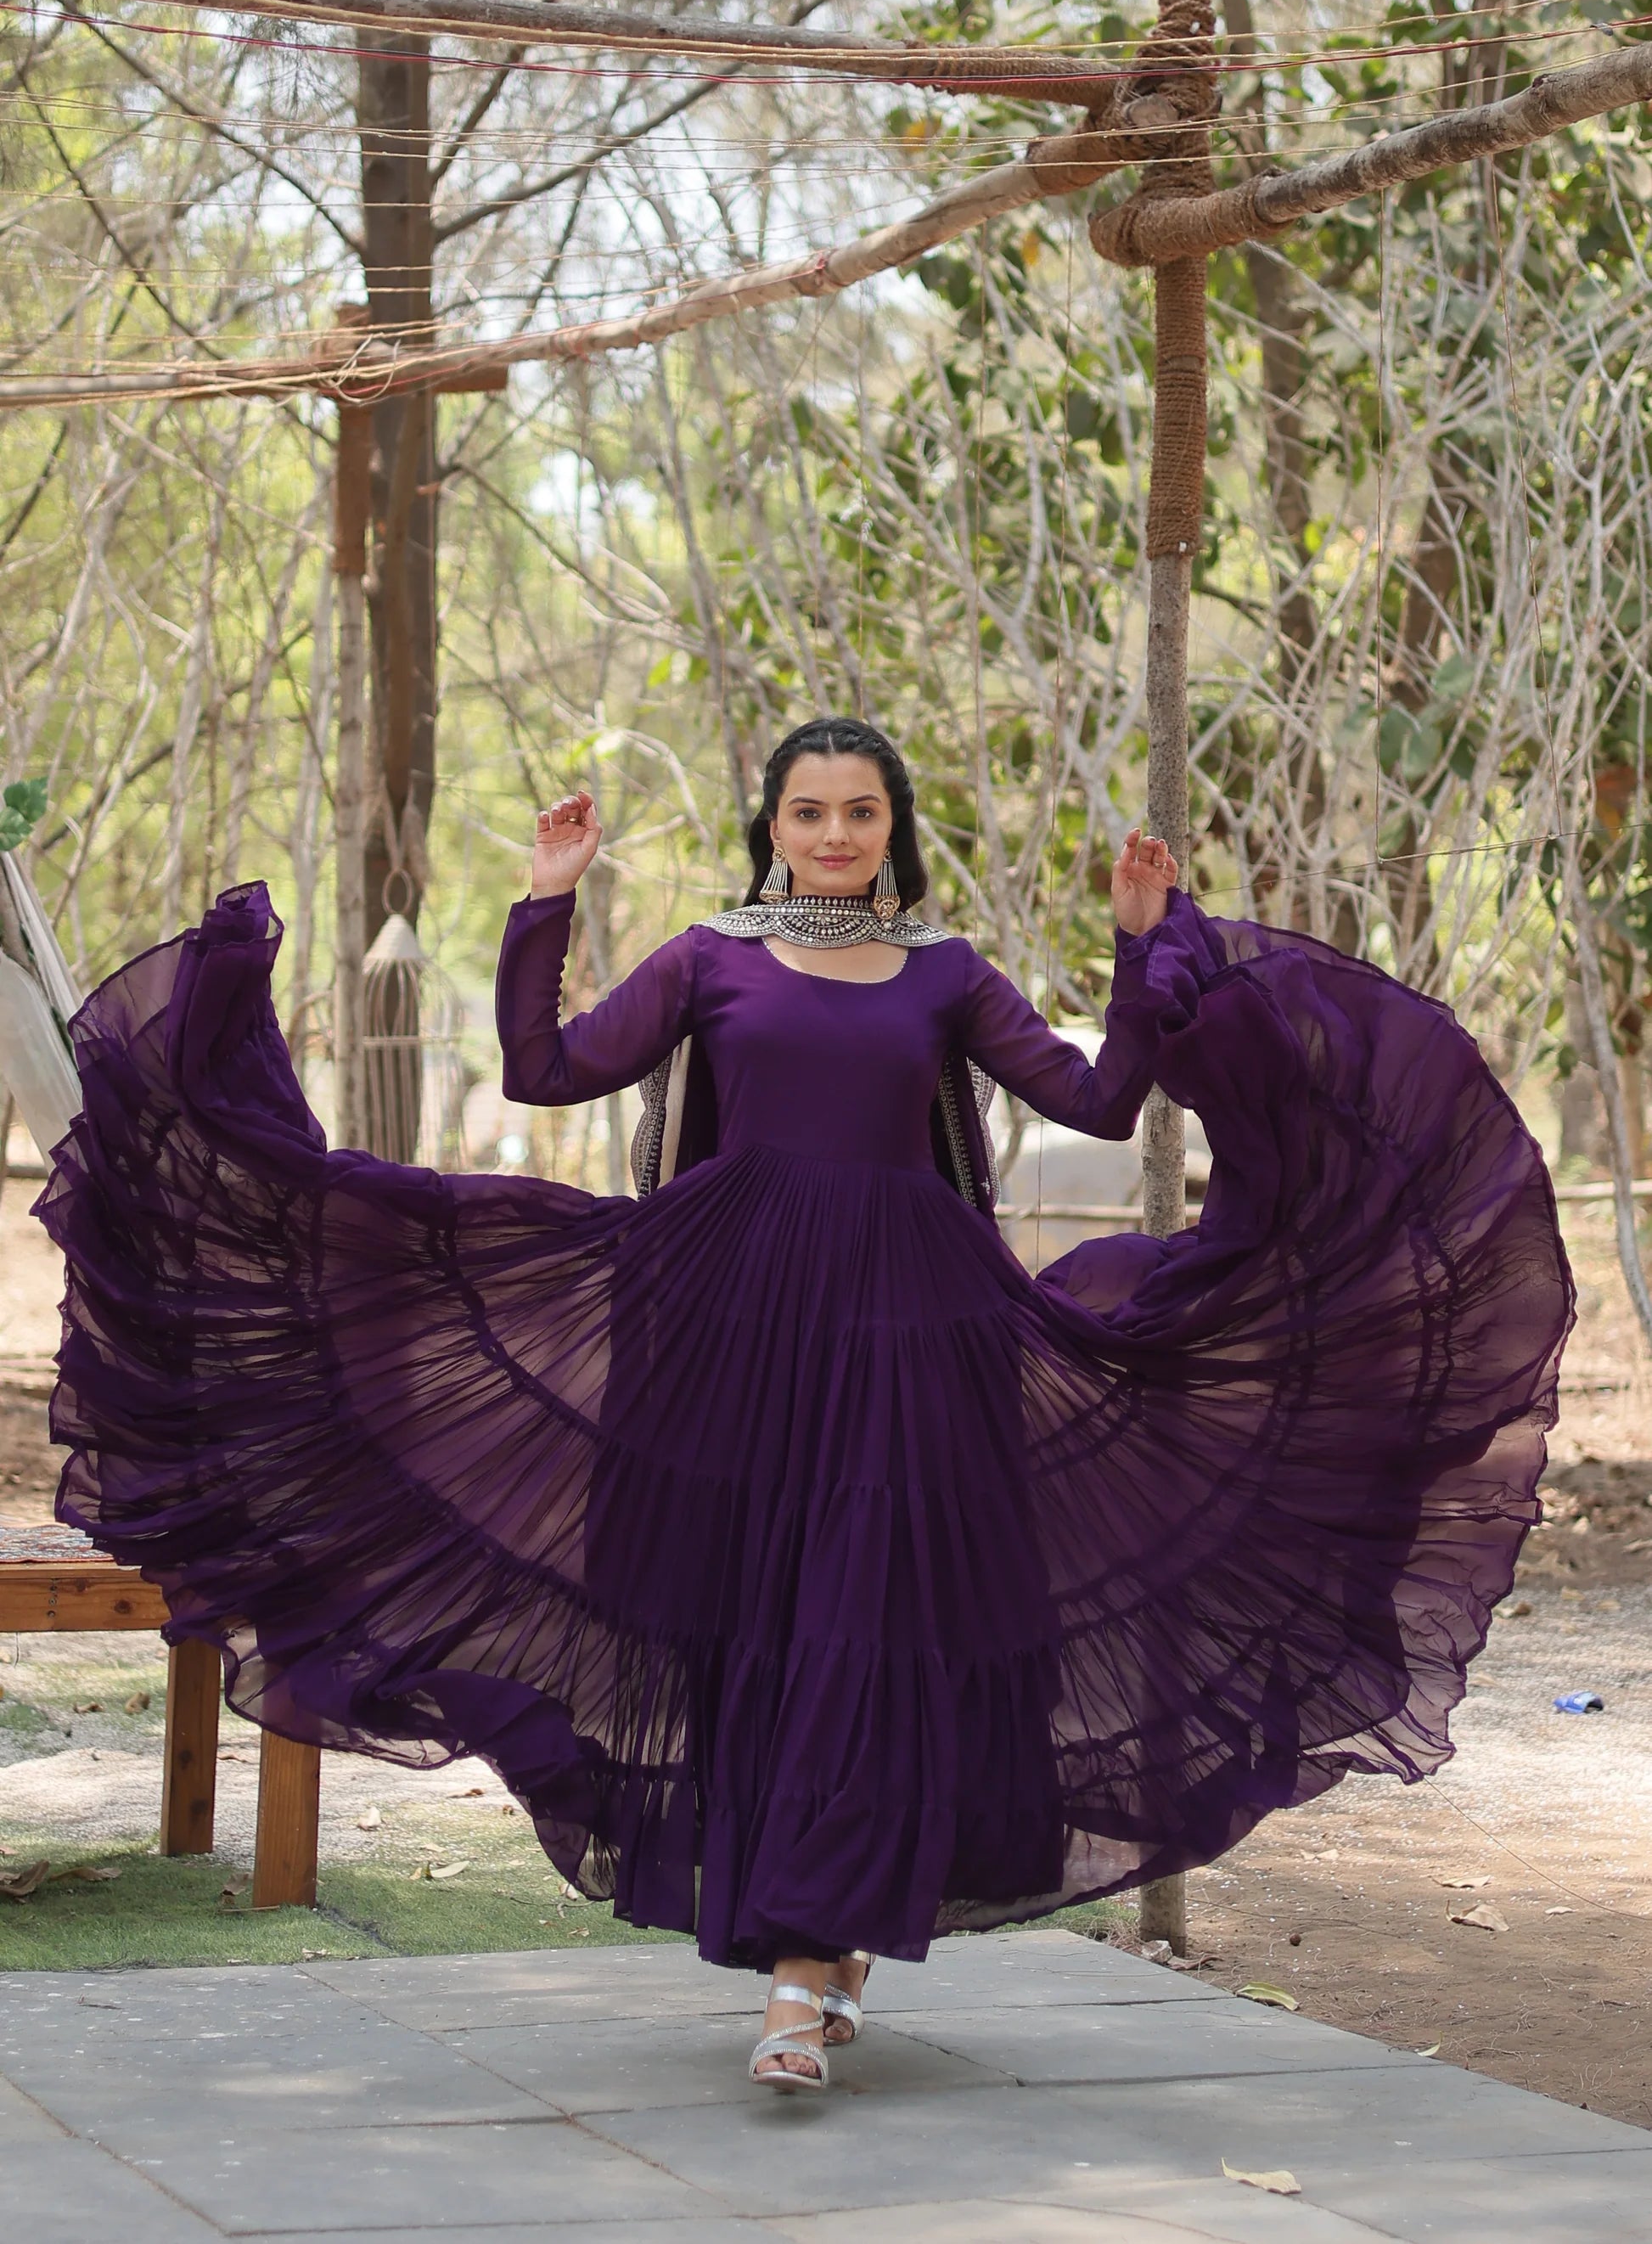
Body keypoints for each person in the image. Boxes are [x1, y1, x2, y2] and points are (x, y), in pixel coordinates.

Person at [40, 716, 1571, 2095]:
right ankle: (812, 1949)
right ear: (770, 826)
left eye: (859, 812)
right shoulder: (711, 958)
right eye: (807, 812)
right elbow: (541, 1071)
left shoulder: (945, 971)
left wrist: (1134, 945)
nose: (834, 834)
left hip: (917, 1334)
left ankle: (803, 1965)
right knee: (768, 1626)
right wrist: (545, 900)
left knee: (873, 1624)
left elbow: (1101, 1104)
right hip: (738, 1327)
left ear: (892, 827)